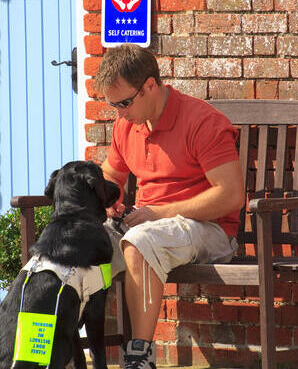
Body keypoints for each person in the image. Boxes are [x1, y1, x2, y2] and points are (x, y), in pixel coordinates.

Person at [96, 44, 244, 369]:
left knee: (140, 242)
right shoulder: (128, 125)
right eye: (112, 105)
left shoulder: (202, 121)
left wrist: (160, 213)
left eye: (124, 103)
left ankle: (139, 357)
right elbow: (110, 175)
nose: (119, 114)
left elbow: (231, 196)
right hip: (147, 226)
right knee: (75, 244)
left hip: (210, 230)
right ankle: (51, 349)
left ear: (150, 85)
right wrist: (109, 201)